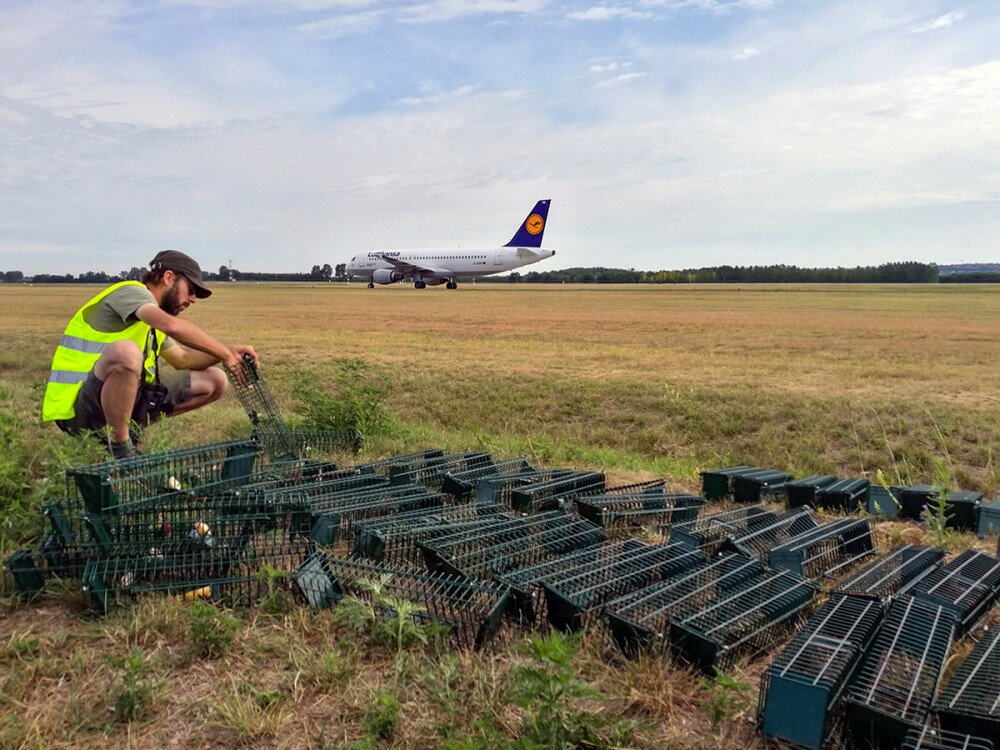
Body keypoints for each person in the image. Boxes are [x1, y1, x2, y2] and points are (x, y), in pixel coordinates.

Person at [41, 250, 258, 457]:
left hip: (115, 403)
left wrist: (228, 352)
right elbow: (173, 327)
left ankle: (128, 430)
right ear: (168, 277)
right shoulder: (131, 292)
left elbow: (182, 359)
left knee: (215, 380)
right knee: (126, 352)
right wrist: (225, 354)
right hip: (79, 409)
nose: (193, 299)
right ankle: (121, 450)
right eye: (191, 289)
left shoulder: (149, 320)